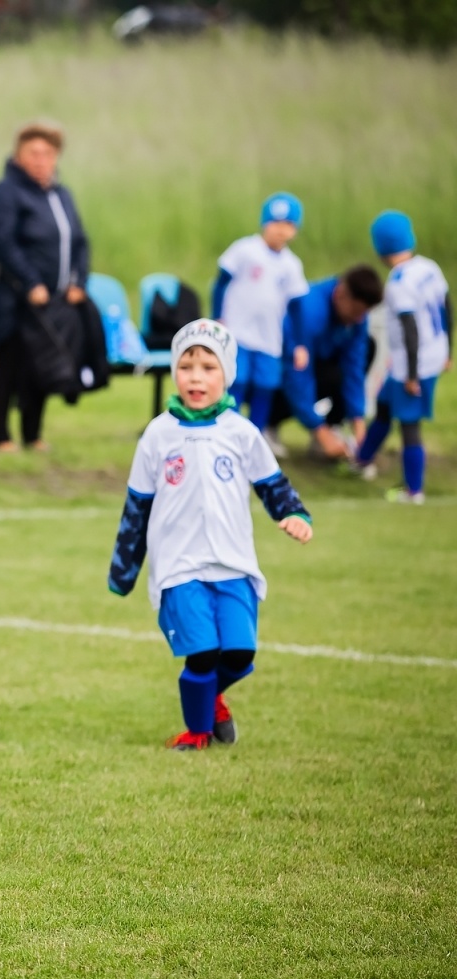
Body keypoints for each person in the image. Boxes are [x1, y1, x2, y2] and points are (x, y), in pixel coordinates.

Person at [108, 319, 313, 752]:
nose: (196, 377)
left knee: (240, 653)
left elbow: (272, 484)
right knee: (201, 653)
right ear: (174, 372)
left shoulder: (241, 432)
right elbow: (136, 507)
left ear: (227, 374)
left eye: (208, 366)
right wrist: (123, 571)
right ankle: (197, 733)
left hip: (233, 563)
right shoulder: (159, 433)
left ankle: (212, 698)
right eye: (186, 366)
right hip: (179, 567)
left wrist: (293, 513)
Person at [0, 122, 91, 452]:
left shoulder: (61, 194)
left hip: (52, 302)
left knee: (40, 368)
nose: (41, 160)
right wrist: (30, 282)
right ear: (19, 155)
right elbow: (4, 243)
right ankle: (1, 437)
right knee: (8, 368)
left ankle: (33, 435)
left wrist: (78, 280)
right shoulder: (6, 193)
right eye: (34, 153)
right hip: (12, 300)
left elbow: (79, 242)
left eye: (48, 153)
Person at [354, 210, 451, 504]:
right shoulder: (429, 268)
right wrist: (450, 350)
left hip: (413, 364)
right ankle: (361, 460)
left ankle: (414, 491)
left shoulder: (398, 284)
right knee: (384, 406)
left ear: (380, 247)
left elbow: (410, 330)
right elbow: (448, 306)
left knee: (409, 423)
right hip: (433, 354)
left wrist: (410, 376)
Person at [211, 192, 309, 453]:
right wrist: (218, 316)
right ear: (265, 223)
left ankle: (253, 439)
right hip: (238, 332)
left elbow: (296, 307)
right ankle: (226, 435)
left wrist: (299, 344)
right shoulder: (245, 250)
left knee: (265, 387)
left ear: (295, 230)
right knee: (237, 381)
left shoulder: (291, 265)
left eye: (288, 225)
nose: (280, 230)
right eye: (275, 223)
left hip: (269, 338)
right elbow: (220, 283)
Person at [272, 266, 382, 459]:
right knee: (319, 376)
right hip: (281, 371)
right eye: (356, 311)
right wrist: (319, 431)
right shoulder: (310, 311)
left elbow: (354, 368)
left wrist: (359, 424)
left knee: (368, 346)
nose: (359, 318)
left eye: (363, 313)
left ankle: (333, 426)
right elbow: (297, 376)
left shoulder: (358, 318)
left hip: (315, 365)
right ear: (341, 294)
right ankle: (269, 423)